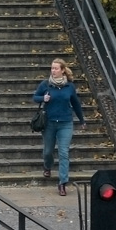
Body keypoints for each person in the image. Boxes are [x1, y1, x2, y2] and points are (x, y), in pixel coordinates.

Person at [33, 58, 86, 196]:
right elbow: (35, 97)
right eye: (52, 68)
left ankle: (62, 183)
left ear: (63, 70)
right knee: (48, 151)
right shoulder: (46, 85)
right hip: (49, 122)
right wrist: (42, 98)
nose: (53, 71)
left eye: (56, 68)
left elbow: (76, 104)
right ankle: (47, 166)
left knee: (64, 153)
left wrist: (82, 120)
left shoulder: (69, 87)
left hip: (65, 123)